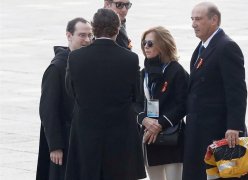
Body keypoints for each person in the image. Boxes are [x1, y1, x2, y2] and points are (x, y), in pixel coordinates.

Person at [64, 8, 146, 180]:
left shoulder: (75, 57)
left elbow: (71, 91)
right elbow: (136, 95)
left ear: (94, 28)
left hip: (86, 132)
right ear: (117, 29)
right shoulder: (130, 58)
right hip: (120, 135)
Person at [182, 2, 248, 180]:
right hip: (199, 129)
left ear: (214, 20)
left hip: (218, 130)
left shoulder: (226, 47)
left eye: (198, 19)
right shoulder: (202, 47)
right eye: (192, 19)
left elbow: (237, 90)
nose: (193, 24)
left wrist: (234, 126)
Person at [36, 17, 93, 180]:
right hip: (65, 141)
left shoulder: (86, 63)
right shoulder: (57, 68)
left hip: (83, 140)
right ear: (69, 35)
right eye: (82, 35)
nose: (87, 40)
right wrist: (55, 146)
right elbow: (48, 109)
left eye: (90, 35)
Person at [136, 26, 189, 180]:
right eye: (144, 43)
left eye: (150, 43)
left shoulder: (176, 70)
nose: (146, 46)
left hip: (172, 136)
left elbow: (184, 104)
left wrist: (159, 124)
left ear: (163, 44)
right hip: (149, 137)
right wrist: (144, 120)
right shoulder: (143, 73)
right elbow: (135, 103)